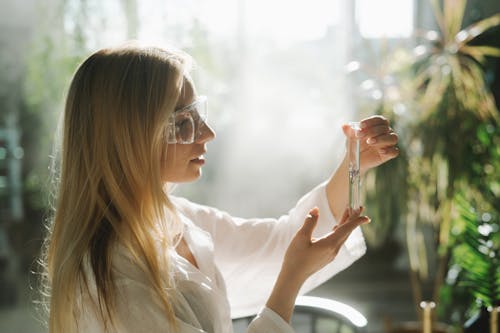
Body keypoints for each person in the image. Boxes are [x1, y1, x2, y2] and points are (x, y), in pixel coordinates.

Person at [40, 42, 399, 333]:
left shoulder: (172, 219)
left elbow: (279, 244)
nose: (208, 134)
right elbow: (286, 260)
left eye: (199, 114)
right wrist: (291, 279)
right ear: (130, 139)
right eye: (183, 122)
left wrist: (355, 163)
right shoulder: (113, 278)